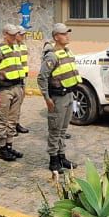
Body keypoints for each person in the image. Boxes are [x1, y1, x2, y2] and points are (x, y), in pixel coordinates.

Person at [38, 23, 80, 173]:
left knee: (63, 130)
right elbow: (42, 77)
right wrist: (47, 98)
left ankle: (62, 157)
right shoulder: (51, 55)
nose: (67, 35)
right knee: (55, 130)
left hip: (68, 95)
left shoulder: (67, 52)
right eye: (64, 33)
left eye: (67, 33)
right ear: (56, 37)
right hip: (57, 98)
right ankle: (53, 160)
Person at [0, 24, 27, 162]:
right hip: (4, 90)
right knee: (3, 121)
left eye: (15, 34)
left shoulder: (16, 48)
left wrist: (22, 87)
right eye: (11, 34)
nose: (14, 36)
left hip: (17, 87)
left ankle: (9, 146)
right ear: (5, 34)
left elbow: (19, 68)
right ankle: (2, 149)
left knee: (13, 120)